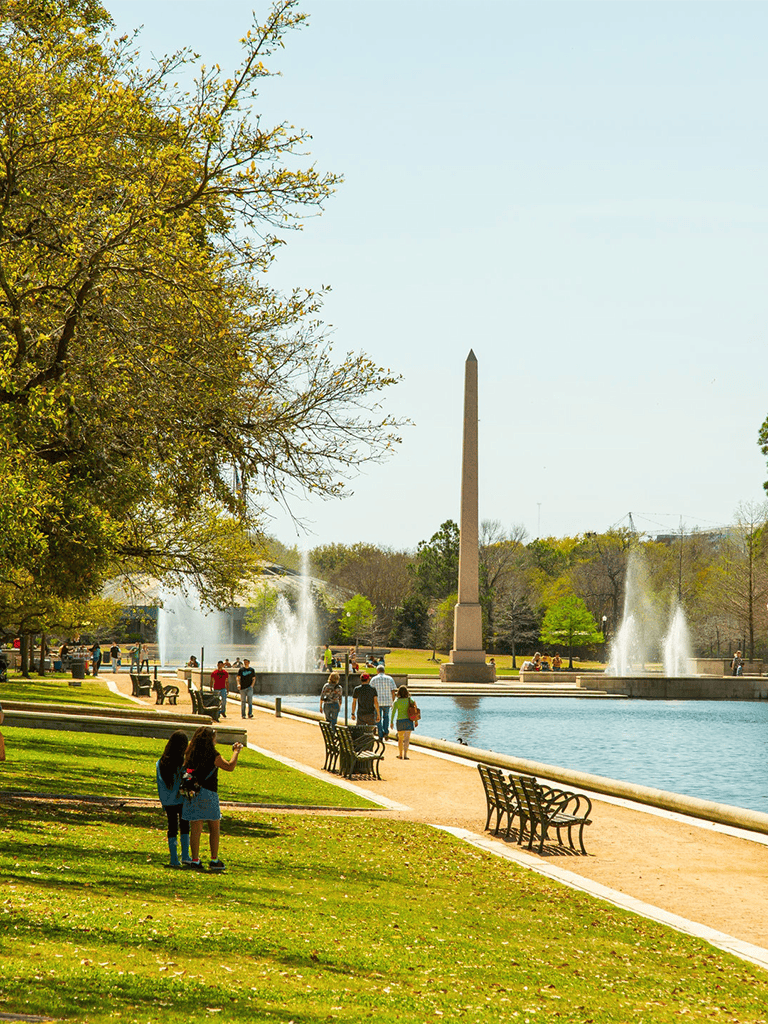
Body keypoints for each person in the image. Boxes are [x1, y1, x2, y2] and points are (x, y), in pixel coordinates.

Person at [181, 726, 242, 872]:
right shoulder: (213, 754)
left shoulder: (190, 752)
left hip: (193, 792)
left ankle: (195, 859)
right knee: (214, 827)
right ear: (210, 739)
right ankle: (214, 859)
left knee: (196, 827)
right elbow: (229, 766)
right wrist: (236, 752)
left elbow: (186, 769)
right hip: (209, 793)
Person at [156, 730, 190, 868]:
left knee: (172, 828)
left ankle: (174, 858)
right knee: (185, 826)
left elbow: (160, 783)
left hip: (168, 801)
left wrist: (164, 800)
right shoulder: (183, 763)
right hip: (182, 800)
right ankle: (186, 856)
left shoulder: (161, 763)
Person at [372, 663, 396, 742]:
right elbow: (393, 691)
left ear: (377, 671)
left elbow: (370, 691)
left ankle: (380, 734)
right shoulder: (389, 678)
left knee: (378, 718)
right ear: (384, 671)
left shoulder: (374, 679)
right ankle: (386, 732)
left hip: (377, 702)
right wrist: (393, 701)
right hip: (387, 702)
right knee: (386, 717)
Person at [391, 685, 415, 760]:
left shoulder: (397, 701)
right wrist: (416, 720)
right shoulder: (410, 699)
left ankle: (400, 754)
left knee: (400, 739)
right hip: (409, 720)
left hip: (400, 720)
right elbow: (414, 710)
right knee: (407, 739)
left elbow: (393, 712)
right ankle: (405, 754)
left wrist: (391, 722)